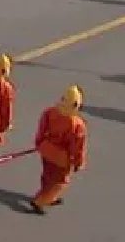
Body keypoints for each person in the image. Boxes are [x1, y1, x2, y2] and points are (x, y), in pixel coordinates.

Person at [30, 85, 88, 215]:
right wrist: (78, 162)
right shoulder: (77, 125)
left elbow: (41, 130)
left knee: (48, 174)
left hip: (47, 150)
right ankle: (41, 200)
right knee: (60, 182)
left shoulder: (50, 112)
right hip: (62, 158)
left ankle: (47, 195)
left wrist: (39, 143)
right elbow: (77, 147)